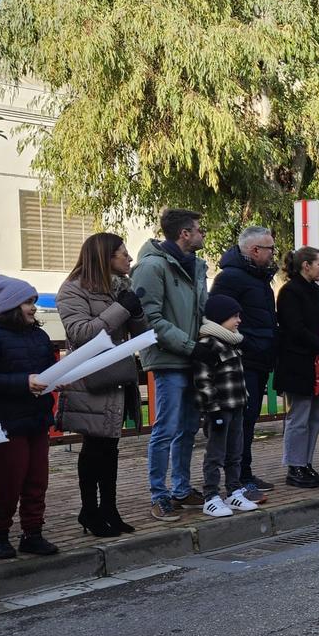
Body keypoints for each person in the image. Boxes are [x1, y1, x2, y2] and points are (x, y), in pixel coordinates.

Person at [57, 233, 148, 538]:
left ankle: (110, 509)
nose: (129, 259)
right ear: (105, 257)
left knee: (110, 447)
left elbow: (138, 333)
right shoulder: (72, 289)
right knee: (94, 448)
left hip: (118, 378)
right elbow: (81, 333)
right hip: (91, 380)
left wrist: (136, 311)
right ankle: (89, 510)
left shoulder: (119, 288)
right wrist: (122, 308)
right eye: (123, 254)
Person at [131, 208, 210, 522]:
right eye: (199, 229)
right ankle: (158, 495)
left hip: (192, 359)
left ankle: (181, 489)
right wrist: (191, 347)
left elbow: (200, 312)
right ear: (185, 233)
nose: (203, 233)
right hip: (170, 360)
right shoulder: (151, 267)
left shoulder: (197, 266)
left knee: (189, 428)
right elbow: (151, 319)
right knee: (165, 429)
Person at [0, 277, 60, 558]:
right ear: (11, 306)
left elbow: (47, 370)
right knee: (9, 481)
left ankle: (33, 533)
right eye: (28, 302)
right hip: (7, 424)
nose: (34, 308)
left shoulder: (39, 335)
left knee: (37, 481)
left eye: (33, 301)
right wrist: (24, 382)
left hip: (36, 419)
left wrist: (59, 379)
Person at [210, 225, 279, 495]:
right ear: (255, 250)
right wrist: (247, 342)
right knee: (240, 422)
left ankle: (244, 472)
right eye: (270, 248)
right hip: (243, 360)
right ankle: (236, 478)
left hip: (260, 358)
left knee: (248, 421)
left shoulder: (258, 277)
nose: (274, 253)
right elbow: (219, 316)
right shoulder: (231, 278)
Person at [193, 295, 260, 518]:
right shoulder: (208, 344)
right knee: (215, 454)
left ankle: (233, 490)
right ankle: (211, 495)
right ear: (220, 318)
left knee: (235, 452)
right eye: (234, 316)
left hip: (237, 407)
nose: (238, 320)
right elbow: (203, 380)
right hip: (220, 410)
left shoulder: (231, 343)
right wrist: (213, 410)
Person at [275, 247, 319, 488]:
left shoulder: (315, 290)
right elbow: (295, 328)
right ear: (305, 265)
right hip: (298, 363)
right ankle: (294, 466)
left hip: (317, 363)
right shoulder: (289, 292)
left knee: (315, 417)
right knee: (299, 416)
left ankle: (306, 463)